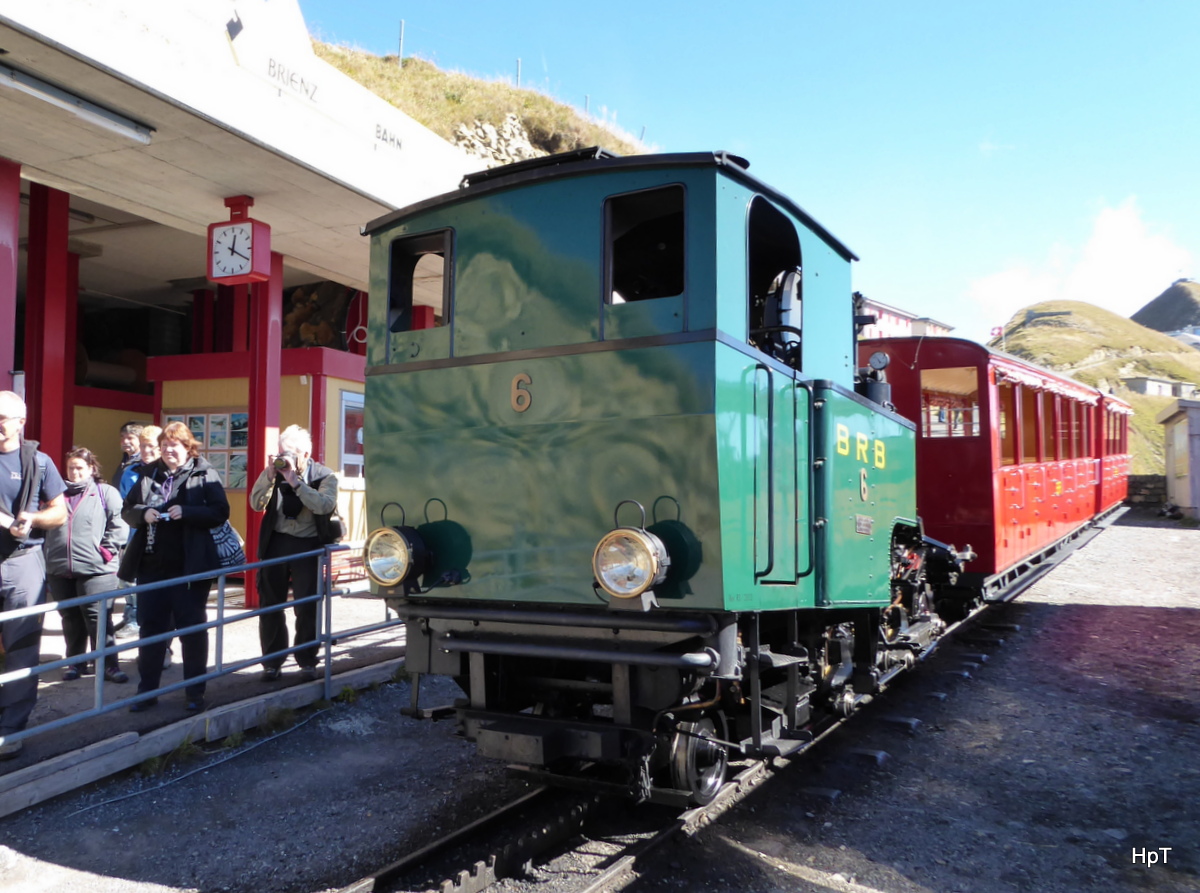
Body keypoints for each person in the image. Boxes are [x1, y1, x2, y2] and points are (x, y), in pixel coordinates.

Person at [119, 421, 228, 713]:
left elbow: (220, 512)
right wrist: (145, 514)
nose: (168, 450)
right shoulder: (148, 472)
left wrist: (188, 512)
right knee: (151, 630)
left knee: (191, 630)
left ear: (187, 448)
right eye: (164, 445)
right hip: (152, 565)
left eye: (174, 445)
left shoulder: (205, 473)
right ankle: (146, 692)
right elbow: (127, 511)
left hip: (189, 568)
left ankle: (194, 693)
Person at [0, 391, 67, 760]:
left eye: (2, 417)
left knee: (21, 647)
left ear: (20, 422)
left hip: (22, 561)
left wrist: (32, 519)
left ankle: (11, 729)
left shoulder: (38, 462)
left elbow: (59, 513)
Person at [250, 425, 338, 682]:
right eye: (282, 452)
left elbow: (324, 506)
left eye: (292, 452)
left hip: (307, 544)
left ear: (306, 453)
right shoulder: (273, 473)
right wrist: (268, 475)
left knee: (307, 605)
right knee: (270, 605)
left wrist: (296, 483)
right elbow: (256, 504)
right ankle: (272, 662)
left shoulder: (325, 476)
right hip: (276, 542)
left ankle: (307, 660)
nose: (286, 457)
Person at [45, 447, 130, 684]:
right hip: (60, 567)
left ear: (91, 469)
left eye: (80, 468)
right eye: (71, 468)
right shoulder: (55, 494)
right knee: (70, 617)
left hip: (97, 569)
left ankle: (108, 665)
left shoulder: (105, 492)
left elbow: (119, 524)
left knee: (98, 618)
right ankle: (75, 662)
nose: (74, 472)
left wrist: (105, 551)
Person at [115, 424, 157, 640]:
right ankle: (131, 617)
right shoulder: (129, 470)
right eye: (143, 446)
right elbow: (124, 505)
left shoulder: (169, 472)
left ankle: (140, 621)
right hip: (132, 534)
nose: (146, 451)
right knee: (128, 580)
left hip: (159, 539)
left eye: (151, 446)